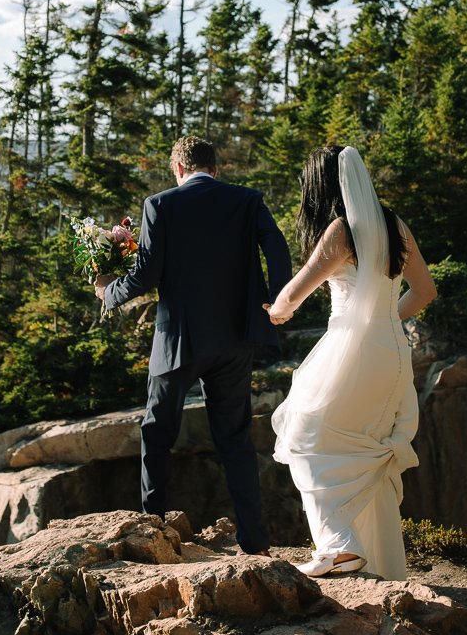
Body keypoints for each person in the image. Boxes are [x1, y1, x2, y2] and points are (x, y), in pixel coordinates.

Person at [95, 135, 292, 554]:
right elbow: (276, 244)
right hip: (236, 338)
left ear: (179, 169)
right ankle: (255, 542)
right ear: (214, 169)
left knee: (157, 433)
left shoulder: (160, 205)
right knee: (235, 439)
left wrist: (108, 292)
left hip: (178, 341)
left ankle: (153, 530)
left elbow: (147, 275)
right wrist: (277, 298)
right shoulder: (247, 200)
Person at [264, 145, 437, 579]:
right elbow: (425, 291)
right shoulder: (394, 224)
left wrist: (275, 312)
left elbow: (292, 295)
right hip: (391, 351)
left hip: (351, 353)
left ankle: (339, 545)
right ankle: (375, 563)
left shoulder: (342, 230)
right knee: (363, 450)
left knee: (302, 433)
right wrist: (379, 321)